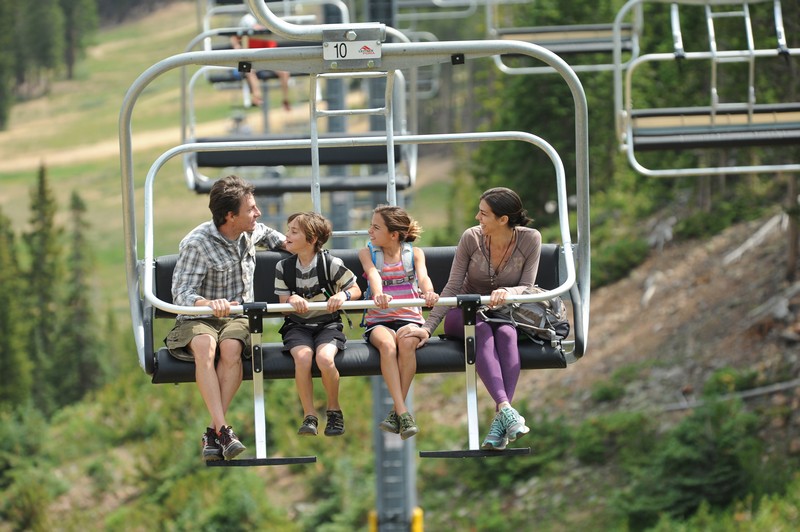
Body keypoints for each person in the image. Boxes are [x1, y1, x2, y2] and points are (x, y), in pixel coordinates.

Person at [399, 187, 541, 450]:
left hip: (502, 314)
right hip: (463, 315)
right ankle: (506, 410)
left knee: (508, 334)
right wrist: (428, 328)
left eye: (484, 214)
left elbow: (528, 287)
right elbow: (452, 287)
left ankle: (503, 415)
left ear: (503, 219)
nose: (477, 217)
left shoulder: (530, 239)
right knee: (481, 330)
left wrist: (507, 292)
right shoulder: (471, 238)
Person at [165, 175, 286, 461]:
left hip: (237, 316)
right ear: (230, 216)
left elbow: (272, 236)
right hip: (200, 316)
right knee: (207, 346)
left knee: (231, 349)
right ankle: (223, 429)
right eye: (251, 209)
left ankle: (214, 432)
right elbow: (181, 292)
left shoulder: (249, 232)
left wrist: (298, 245)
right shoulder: (197, 244)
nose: (257, 213)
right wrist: (208, 303)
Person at [274, 212, 361, 437]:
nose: (287, 235)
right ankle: (309, 414)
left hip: (327, 324)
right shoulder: (284, 268)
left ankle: (333, 408)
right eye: (288, 230)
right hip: (297, 326)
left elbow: (355, 289)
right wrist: (293, 299)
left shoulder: (330, 264)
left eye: (294, 231)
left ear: (312, 240)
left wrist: (343, 297)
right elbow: (284, 304)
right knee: (303, 358)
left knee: (324, 358)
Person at [359, 206, 439, 440]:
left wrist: (429, 293)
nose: (369, 231)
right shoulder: (368, 253)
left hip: (409, 317)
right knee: (388, 345)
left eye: (376, 227)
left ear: (393, 234)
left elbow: (423, 277)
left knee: (405, 344)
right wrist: (378, 294)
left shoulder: (414, 254)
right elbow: (373, 274)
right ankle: (403, 411)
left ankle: (396, 411)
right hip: (379, 320)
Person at [230, 13, 291, 110]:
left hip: (268, 60)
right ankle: (257, 96)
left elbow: (272, 51)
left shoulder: (263, 33)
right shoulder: (244, 34)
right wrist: (236, 46)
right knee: (247, 69)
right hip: (254, 62)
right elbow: (233, 38)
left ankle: (286, 99)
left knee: (284, 72)